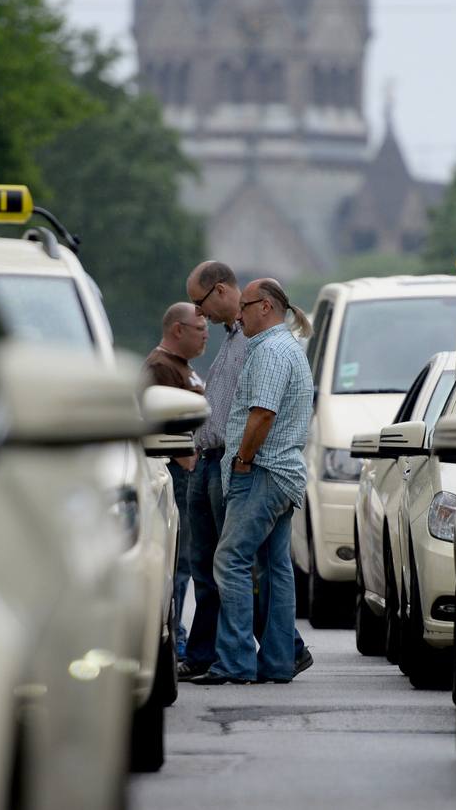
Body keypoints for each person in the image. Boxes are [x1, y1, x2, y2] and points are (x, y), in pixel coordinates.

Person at [179, 261, 311, 682]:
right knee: (274, 566)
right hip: (279, 470)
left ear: (266, 307)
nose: (239, 314)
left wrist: (241, 461)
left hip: (262, 469)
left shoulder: (270, 350)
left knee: (231, 559)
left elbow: (262, 413)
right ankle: (276, 662)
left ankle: (234, 662)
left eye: (247, 307)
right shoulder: (279, 345)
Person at [141, 302, 208, 658]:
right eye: (200, 330)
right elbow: (158, 421)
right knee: (179, 561)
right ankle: (176, 634)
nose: (205, 336)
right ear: (177, 330)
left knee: (191, 560)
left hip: (191, 473)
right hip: (177, 474)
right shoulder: (159, 367)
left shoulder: (183, 367)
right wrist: (186, 456)